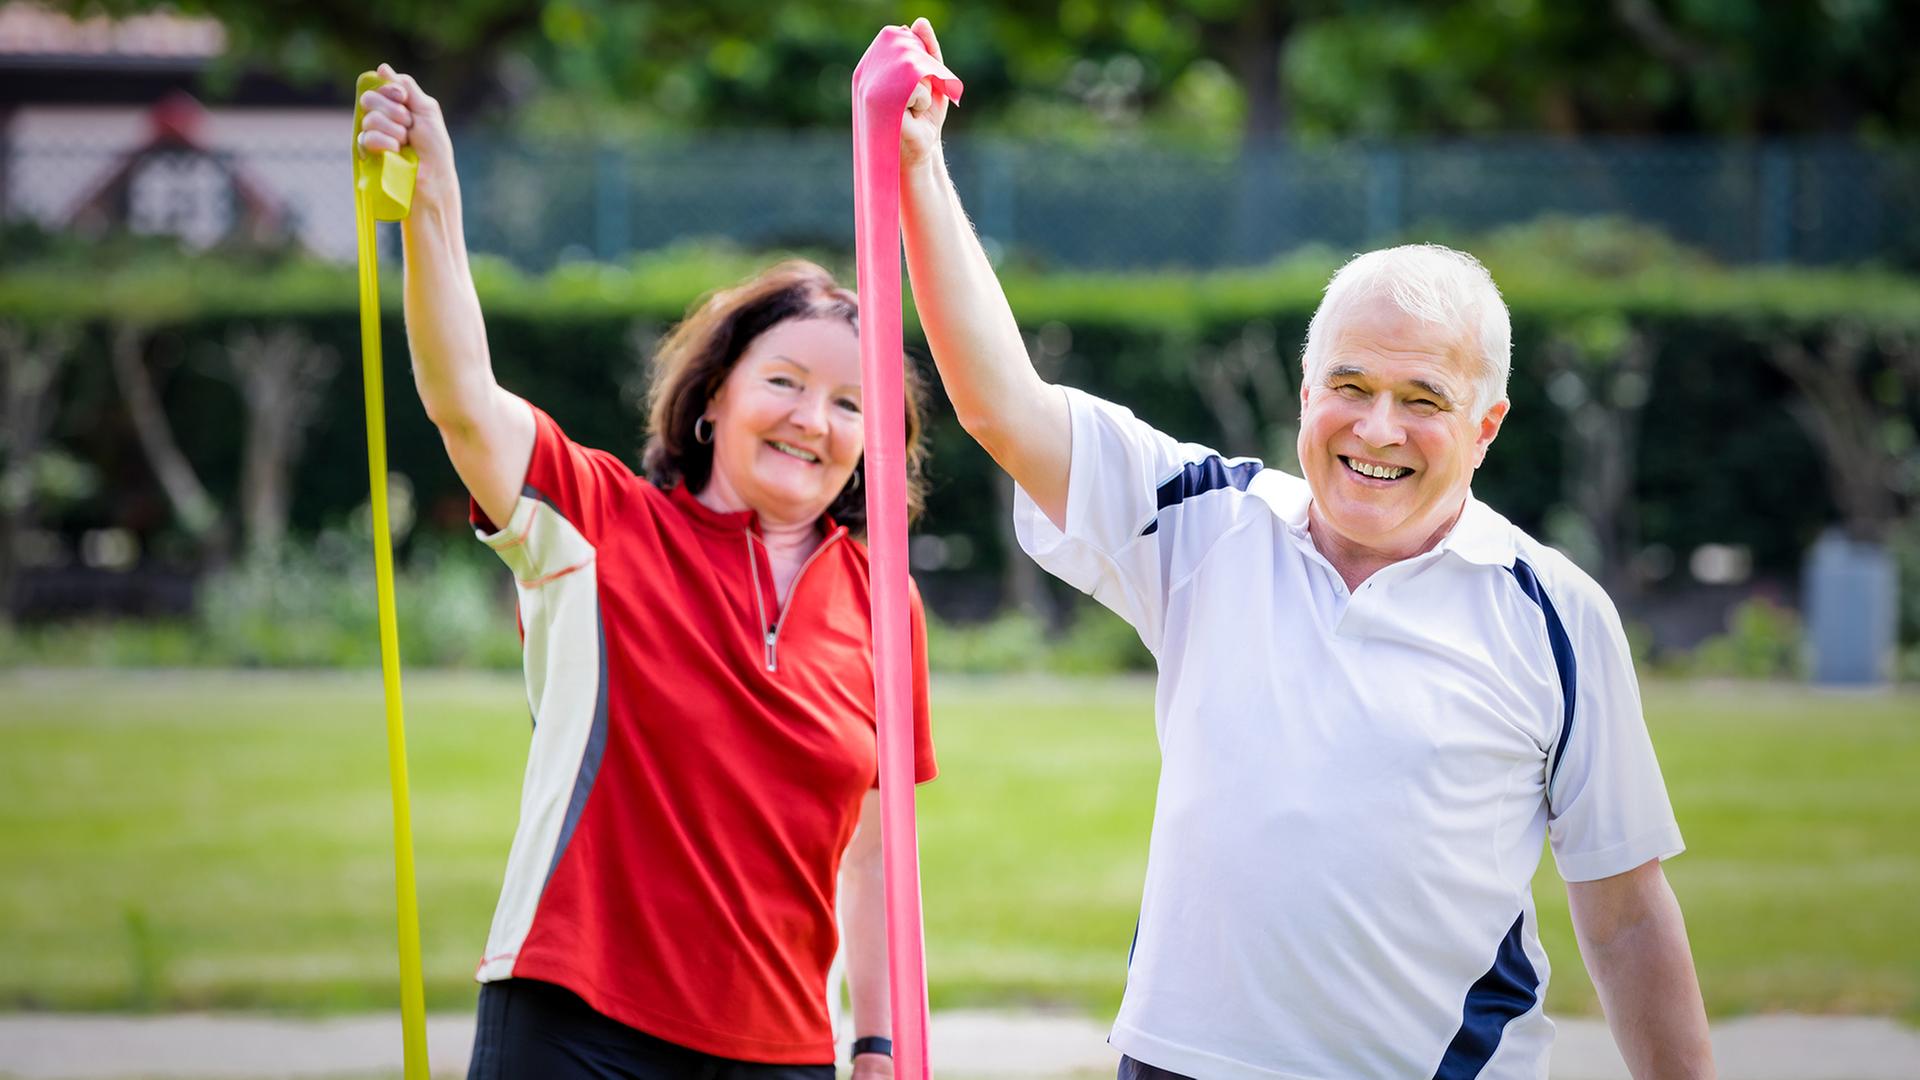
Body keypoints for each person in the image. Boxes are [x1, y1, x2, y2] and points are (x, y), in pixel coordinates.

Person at [890, 19, 1714, 1080]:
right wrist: (920, 162)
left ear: (1487, 426)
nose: (1378, 429)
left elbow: (1627, 913)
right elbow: (1001, 405)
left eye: (1423, 399)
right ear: (1306, 391)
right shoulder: (1202, 520)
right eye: (1351, 387)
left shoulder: (1554, 612)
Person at [356, 64, 935, 1080]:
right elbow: (463, 401)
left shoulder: (884, 601)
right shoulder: (596, 521)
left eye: (851, 403)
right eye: (785, 382)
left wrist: (877, 1040)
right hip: (576, 1022)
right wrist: (435, 198)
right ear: (713, 399)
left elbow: (873, 849)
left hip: (783, 1052)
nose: (813, 419)